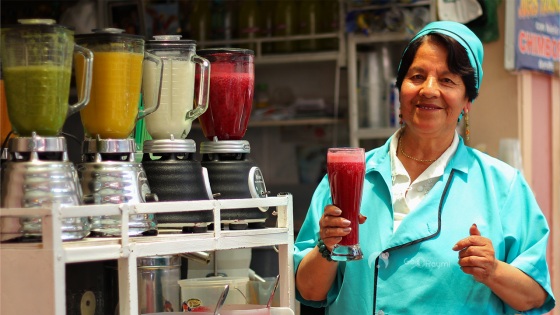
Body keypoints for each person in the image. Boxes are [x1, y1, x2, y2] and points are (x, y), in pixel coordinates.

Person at [294, 21, 556, 314]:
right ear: (400, 89)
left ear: (467, 100)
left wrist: (493, 270)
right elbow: (308, 291)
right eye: (417, 76)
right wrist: (326, 248)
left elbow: (534, 297)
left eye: (447, 80)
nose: (428, 90)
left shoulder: (503, 186)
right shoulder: (349, 175)